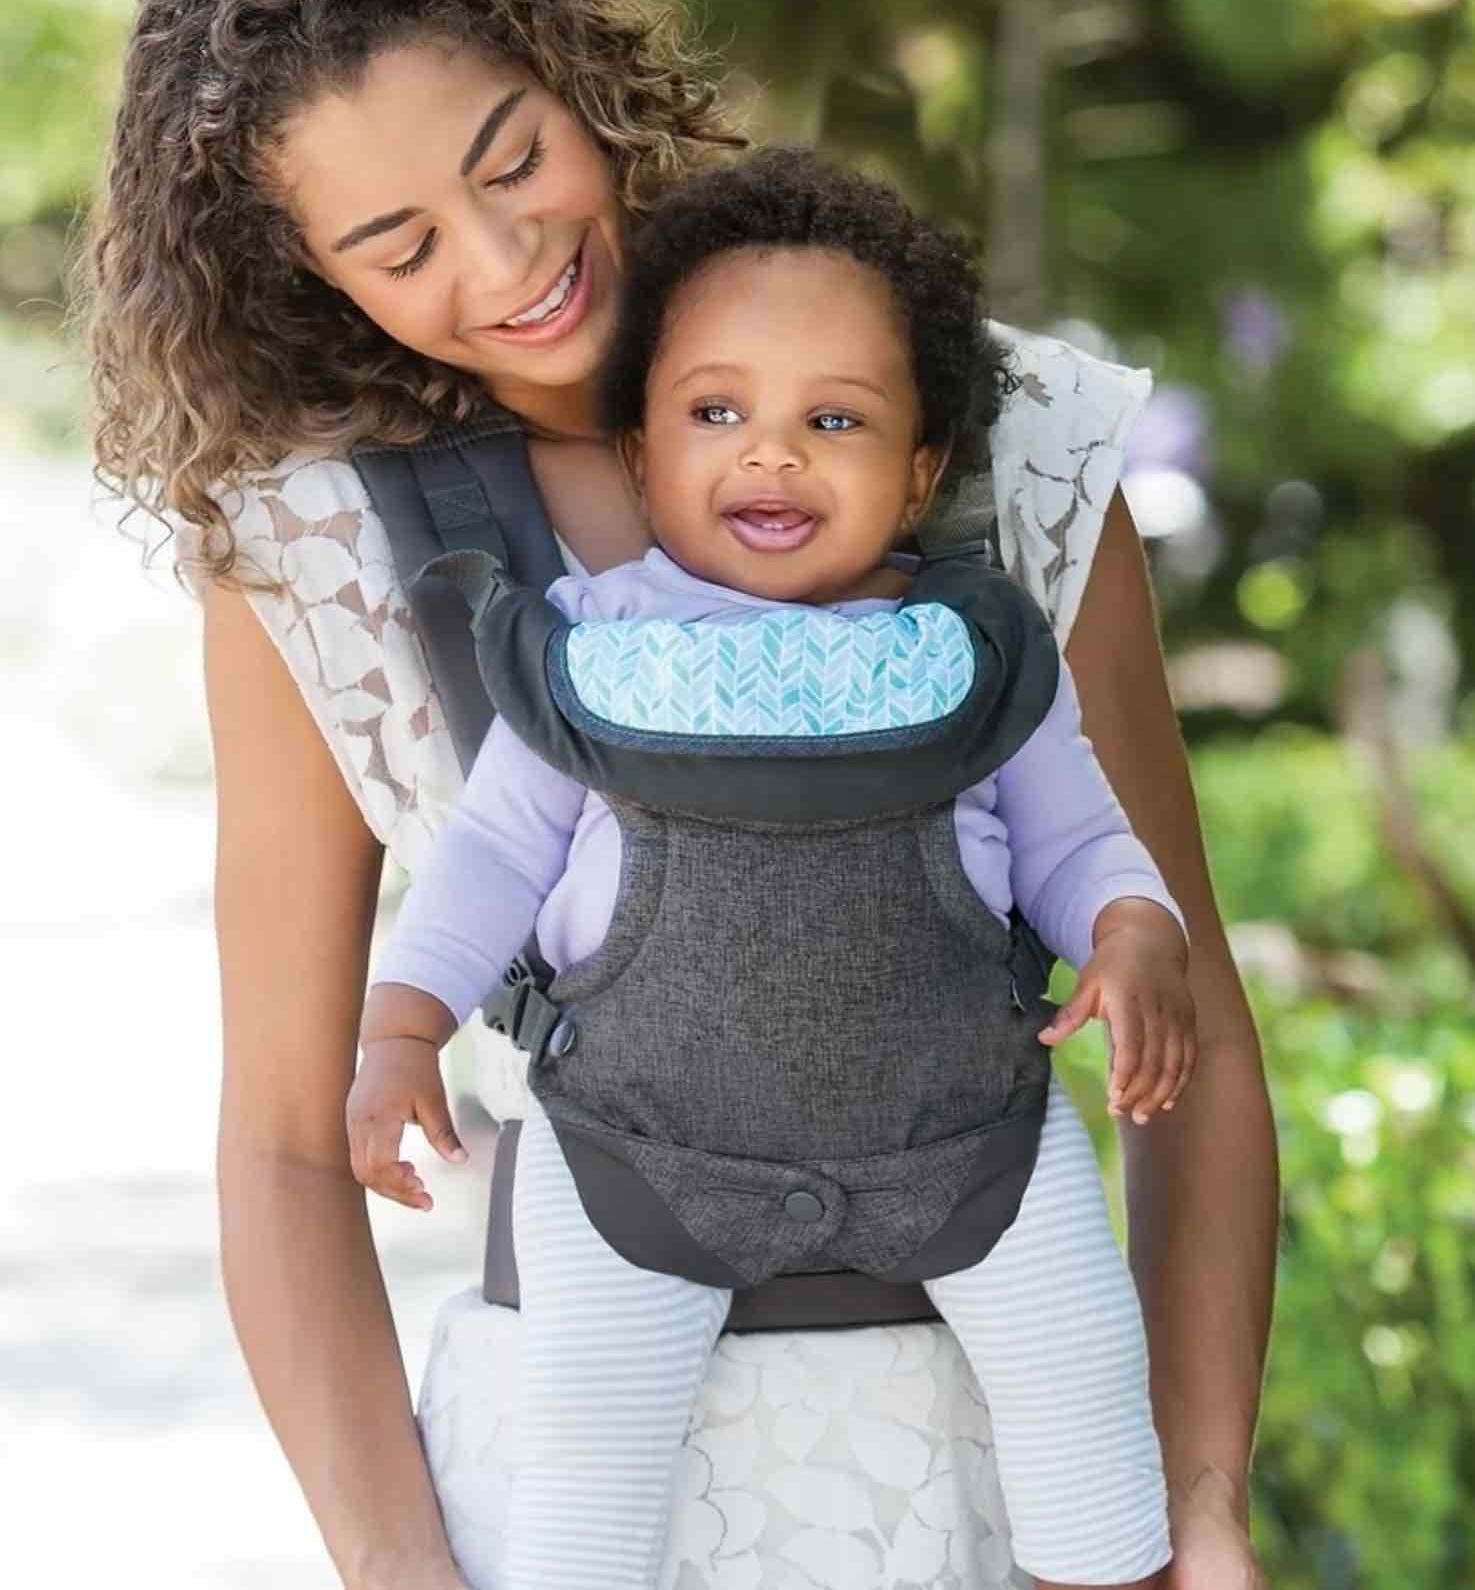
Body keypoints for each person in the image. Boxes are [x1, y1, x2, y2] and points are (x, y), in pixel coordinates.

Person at [85, 0, 1276, 1590]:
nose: (508, 259)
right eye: (401, 244)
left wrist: (1199, 1509)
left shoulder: (1007, 438)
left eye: (515, 158)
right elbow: (280, 1140)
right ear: (305, 274)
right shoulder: (319, 555)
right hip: (576, 1483)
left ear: (571, 61)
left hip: (991, 1479)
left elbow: (1195, 1034)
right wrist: (401, 1575)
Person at [347, 146, 1196, 1590]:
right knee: (586, 1472)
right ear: (641, 454)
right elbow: (490, 855)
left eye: (836, 418)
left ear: (920, 469)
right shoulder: (591, 654)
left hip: (966, 1138)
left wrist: (1133, 929)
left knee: (1085, 1380)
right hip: (636, 1151)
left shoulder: (974, 653)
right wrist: (399, 1027)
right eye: (717, 411)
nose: (773, 454)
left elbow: (1076, 837)